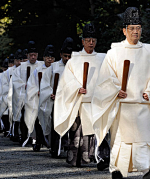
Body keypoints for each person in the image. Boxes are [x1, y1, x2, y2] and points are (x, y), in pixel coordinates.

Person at [91, 7, 150, 179]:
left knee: (144, 140)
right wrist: (116, 90)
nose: (135, 31)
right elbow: (105, 78)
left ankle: (148, 169)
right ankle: (118, 170)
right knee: (121, 141)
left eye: (138, 28)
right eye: (131, 28)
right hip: (122, 106)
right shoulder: (114, 52)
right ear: (124, 30)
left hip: (142, 104)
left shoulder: (148, 51)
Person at [54, 23, 110, 168]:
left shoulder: (103, 59)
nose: (91, 42)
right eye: (88, 39)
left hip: (97, 102)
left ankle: (101, 159)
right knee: (78, 133)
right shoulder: (74, 60)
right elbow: (66, 81)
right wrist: (76, 88)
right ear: (82, 41)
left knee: (100, 132)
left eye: (93, 39)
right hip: (80, 101)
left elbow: (109, 78)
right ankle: (77, 159)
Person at [38, 37, 73, 157]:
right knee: (55, 124)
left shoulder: (75, 67)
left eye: (69, 56)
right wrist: (50, 93)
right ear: (61, 55)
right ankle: (54, 148)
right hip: (56, 101)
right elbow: (45, 83)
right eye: (65, 56)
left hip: (70, 100)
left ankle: (69, 146)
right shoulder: (54, 67)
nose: (67, 59)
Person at [8, 41, 44, 145]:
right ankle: (24, 137)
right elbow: (15, 81)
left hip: (37, 96)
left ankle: (39, 139)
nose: (33, 57)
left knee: (37, 119)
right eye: (31, 55)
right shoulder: (21, 68)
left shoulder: (41, 65)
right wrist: (24, 86)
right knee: (25, 117)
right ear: (27, 55)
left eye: (35, 55)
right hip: (25, 96)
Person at [23, 44, 55, 151]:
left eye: (52, 58)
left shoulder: (56, 69)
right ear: (44, 58)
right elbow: (32, 84)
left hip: (53, 98)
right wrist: (37, 91)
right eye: (47, 57)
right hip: (39, 98)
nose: (49, 60)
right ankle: (38, 140)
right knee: (38, 117)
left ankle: (51, 141)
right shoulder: (38, 70)